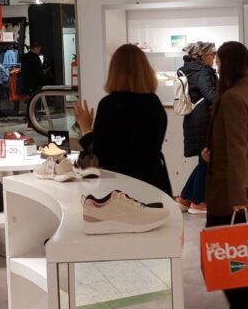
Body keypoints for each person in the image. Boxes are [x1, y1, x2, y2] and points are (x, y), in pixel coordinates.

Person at [202, 41, 248, 308]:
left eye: (219, 62)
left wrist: (238, 197)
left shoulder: (232, 97)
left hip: (235, 193)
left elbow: (238, 149)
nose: (217, 68)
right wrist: (212, 151)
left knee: (225, 255)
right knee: (245, 256)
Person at [73, 44, 172, 195]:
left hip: (120, 186)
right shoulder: (154, 103)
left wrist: (86, 129)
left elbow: (100, 156)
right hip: (152, 181)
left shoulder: (109, 105)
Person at [175, 42, 217, 214]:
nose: (214, 57)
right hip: (204, 120)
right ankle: (198, 202)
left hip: (194, 119)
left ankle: (185, 199)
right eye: (212, 54)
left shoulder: (190, 69)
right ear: (203, 56)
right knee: (206, 159)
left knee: (204, 159)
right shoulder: (202, 72)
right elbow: (211, 95)